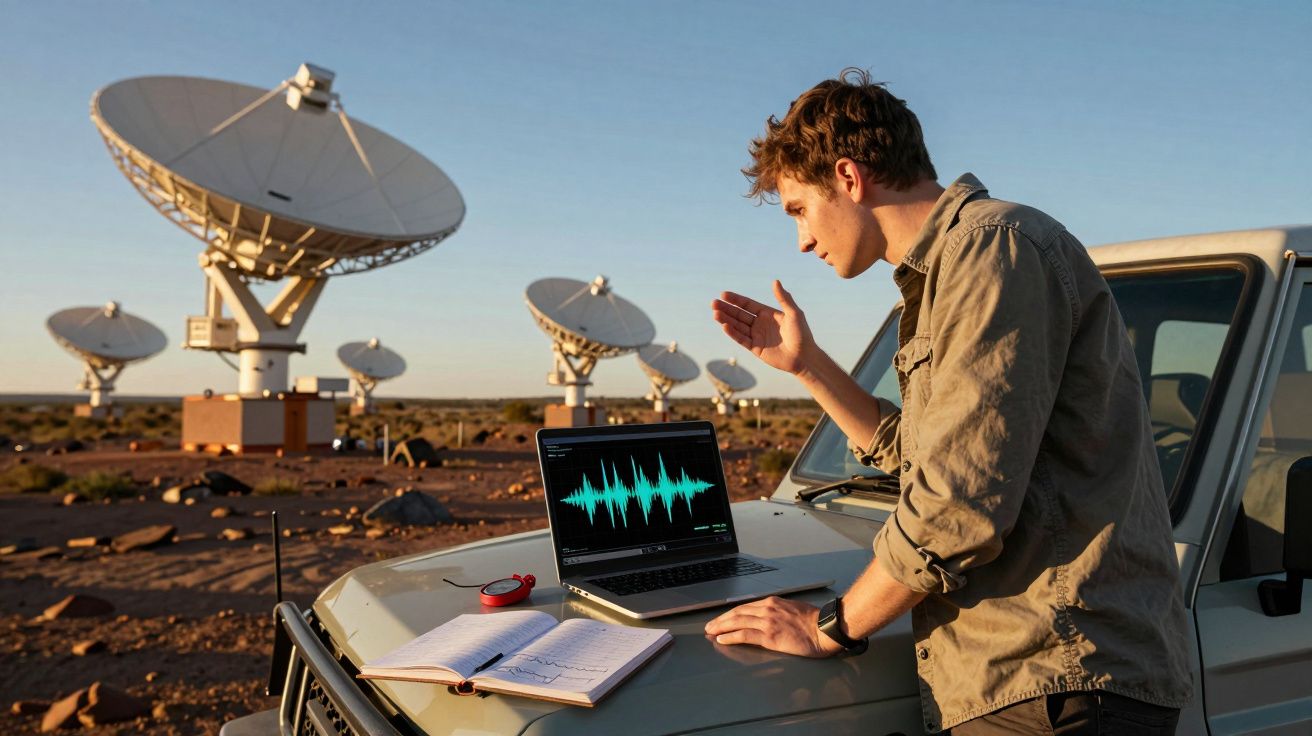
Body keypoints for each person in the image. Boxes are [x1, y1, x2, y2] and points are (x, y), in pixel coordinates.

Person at [704, 69, 1193, 734]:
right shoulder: (957, 271)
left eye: (798, 209)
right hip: (1028, 684)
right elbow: (928, 456)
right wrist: (810, 366)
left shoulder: (995, 249)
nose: (802, 240)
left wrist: (831, 628)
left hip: (1056, 678)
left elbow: (956, 505)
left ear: (848, 178)